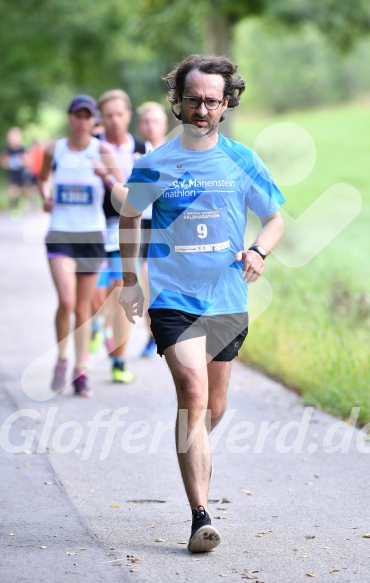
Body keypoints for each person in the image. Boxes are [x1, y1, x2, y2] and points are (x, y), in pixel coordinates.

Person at [118, 55, 285, 552]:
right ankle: (200, 517)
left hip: (227, 299)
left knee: (213, 406)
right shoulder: (157, 163)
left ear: (227, 103)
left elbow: (274, 218)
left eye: (213, 100)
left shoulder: (241, 160)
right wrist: (131, 280)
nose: (202, 109)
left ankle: (190, 442)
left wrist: (258, 250)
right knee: (192, 394)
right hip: (173, 298)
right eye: (194, 99)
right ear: (178, 101)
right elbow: (129, 217)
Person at [38, 94, 124, 397]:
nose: (82, 121)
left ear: (93, 121)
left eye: (87, 116)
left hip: (91, 236)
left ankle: (80, 369)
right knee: (66, 301)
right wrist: (46, 196)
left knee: (84, 308)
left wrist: (106, 178)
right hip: (61, 234)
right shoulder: (55, 149)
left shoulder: (101, 150)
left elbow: (123, 194)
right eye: (77, 115)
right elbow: (42, 178)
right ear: (70, 117)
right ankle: (62, 360)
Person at [90, 89, 147, 383]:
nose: (114, 120)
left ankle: (119, 361)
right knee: (94, 298)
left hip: (122, 229)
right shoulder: (90, 147)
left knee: (121, 292)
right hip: (90, 229)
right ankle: (96, 326)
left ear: (128, 115)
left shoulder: (141, 148)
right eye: (108, 115)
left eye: (119, 114)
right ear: (101, 118)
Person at [135, 101, 168, 357]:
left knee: (155, 282)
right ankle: (150, 334)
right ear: (139, 126)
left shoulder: (173, 154)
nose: (150, 126)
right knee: (140, 280)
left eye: (155, 121)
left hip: (163, 224)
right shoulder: (133, 153)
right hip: (138, 222)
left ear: (164, 124)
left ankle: (155, 333)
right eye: (146, 121)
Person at [1, 127, 27, 215]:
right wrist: (7, 163)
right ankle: (13, 207)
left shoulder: (21, 149)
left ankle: (20, 203)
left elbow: (26, 160)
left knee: (21, 190)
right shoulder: (7, 149)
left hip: (21, 172)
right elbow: (3, 160)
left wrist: (22, 162)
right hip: (12, 173)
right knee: (13, 190)